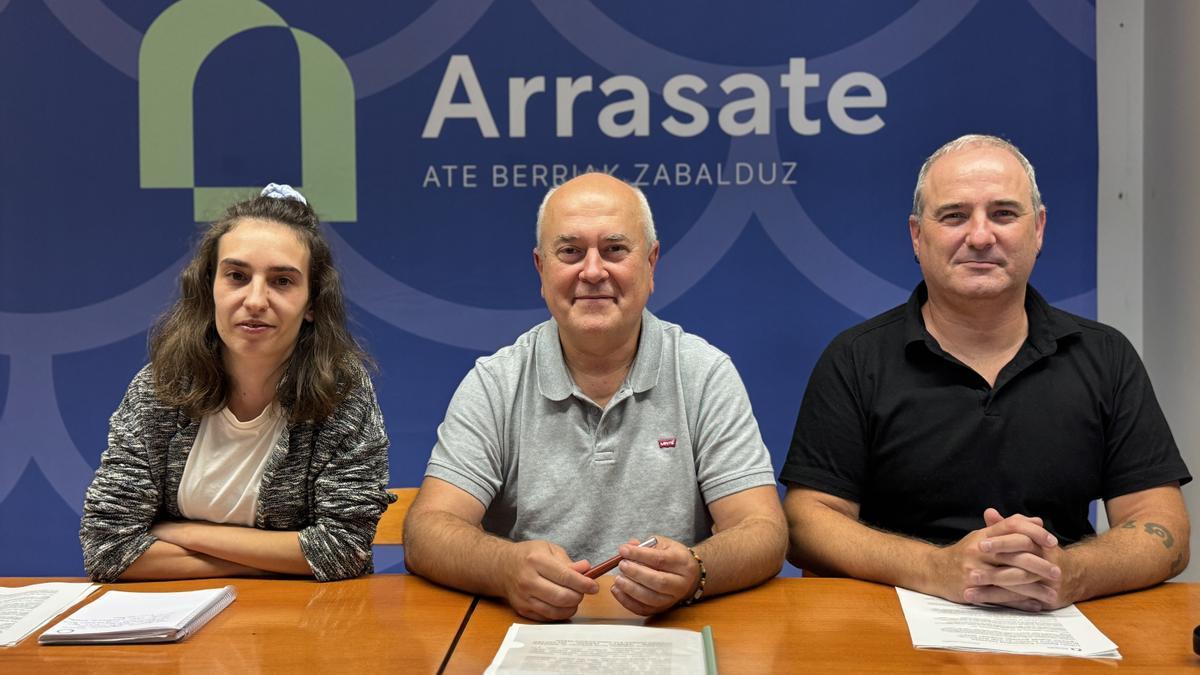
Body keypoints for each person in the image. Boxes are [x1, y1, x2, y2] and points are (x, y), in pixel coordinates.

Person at [781, 134, 1191, 611]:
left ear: (1038, 229)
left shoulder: (1105, 355)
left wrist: (1070, 573)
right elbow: (806, 523)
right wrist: (937, 570)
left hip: (1060, 620)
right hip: (894, 623)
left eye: (1003, 214)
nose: (979, 236)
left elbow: (1165, 527)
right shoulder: (855, 358)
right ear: (918, 235)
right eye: (954, 215)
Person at [404, 173, 787, 620]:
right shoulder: (497, 382)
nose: (591, 271)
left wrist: (698, 570)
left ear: (651, 263)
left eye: (614, 250)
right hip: (531, 636)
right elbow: (427, 530)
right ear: (540, 269)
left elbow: (762, 530)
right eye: (569, 252)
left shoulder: (703, 374)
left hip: (672, 633)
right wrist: (503, 567)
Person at [80, 184, 395, 582]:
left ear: (312, 303)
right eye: (237, 276)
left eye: (282, 281)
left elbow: (342, 550)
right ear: (210, 286)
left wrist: (187, 534)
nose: (256, 300)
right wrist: (278, 558)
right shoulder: (159, 388)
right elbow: (108, 548)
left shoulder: (341, 390)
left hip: (303, 624)